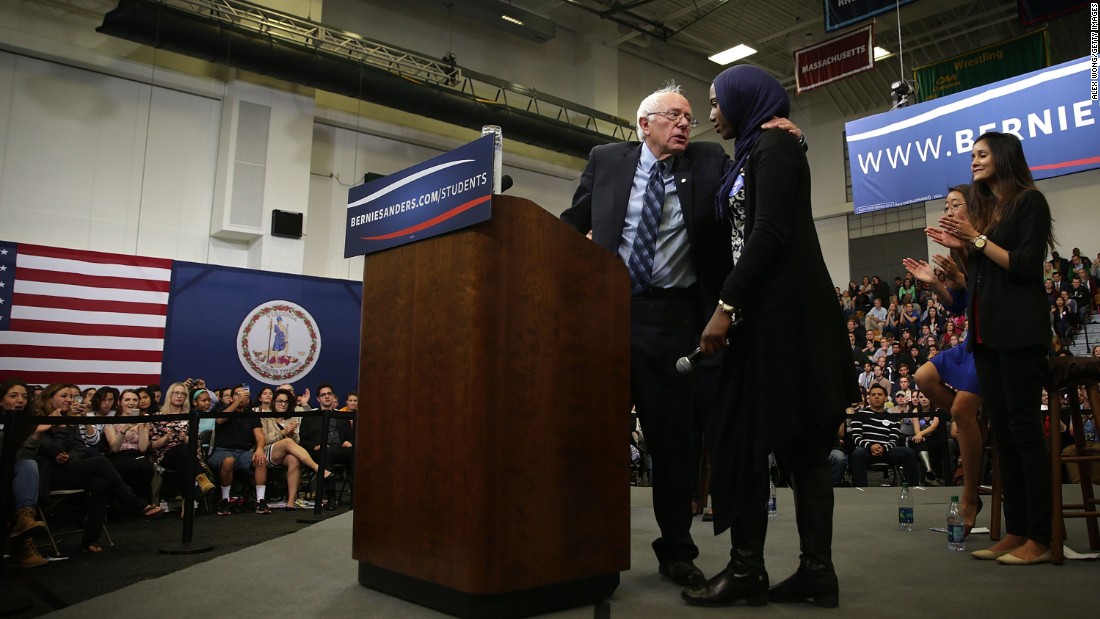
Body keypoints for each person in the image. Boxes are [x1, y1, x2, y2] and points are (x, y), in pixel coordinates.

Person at [560, 78, 806, 588]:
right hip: (606, 316)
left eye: (691, 118)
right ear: (644, 122)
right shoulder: (607, 160)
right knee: (595, 438)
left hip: (673, 320)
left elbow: (754, 176)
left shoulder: (709, 160)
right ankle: (586, 545)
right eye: (674, 115)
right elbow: (572, 221)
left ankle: (675, 549)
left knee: (672, 443)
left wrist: (788, 138)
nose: (685, 124)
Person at [681, 65, 857, 608]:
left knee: (786, 446)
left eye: (715, 102)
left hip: (788, 321)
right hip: (768, 320)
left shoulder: (775, 148)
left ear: (743, 99)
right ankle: (785, 572)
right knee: (759, 443)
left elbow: (770, 232)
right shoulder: (756, 149)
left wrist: (725, 306)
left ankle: (781, 571)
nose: (711, 114)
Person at [927, 131, 1054, 565]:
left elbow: (1023, 266)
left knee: (1024, 433)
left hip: (1020, 334)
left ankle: (1041, 535)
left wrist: (975, 240)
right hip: (987, 335)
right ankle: (1016, 530)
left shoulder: (1029, 202)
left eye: (981, 154)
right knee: (1004, 435)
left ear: (1003, 156)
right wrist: (961, 250)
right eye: (972, 155)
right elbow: (980, 276)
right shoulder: (989, 212)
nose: (974, 162)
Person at [902, 184, 985, 533]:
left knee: (962, 411)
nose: (949, 211)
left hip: (992, 341)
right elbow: (959, 306)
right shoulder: (960, 249)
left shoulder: (984, 240)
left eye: (956, 205)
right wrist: (937, 284)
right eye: (946, 206)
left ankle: (969, 496)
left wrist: (959, 276)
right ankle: (968, 424)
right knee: (923, 377)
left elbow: (988, 292)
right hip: (970, 342)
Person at [2, 378, 49, 567]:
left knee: (28, 466)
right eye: (13, 396)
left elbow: (20, 457)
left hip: (15, 472)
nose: (20, 400)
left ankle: (25, 523)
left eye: (24, 396)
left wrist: (36, 435)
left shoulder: (29, 423)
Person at [848, 384, 921, 487]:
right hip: (866, 450)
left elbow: (894, 439)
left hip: (887, 451)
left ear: (886, 397)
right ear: (869, 398)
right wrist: (871, 446)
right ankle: (860, 490)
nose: (876, 396)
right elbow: (856, 438)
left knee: (908, 453)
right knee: (857, 453)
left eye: (879, 394)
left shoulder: (893, 418)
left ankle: (913, 488)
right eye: (873, 394)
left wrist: (883, 448)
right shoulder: (859, 415)